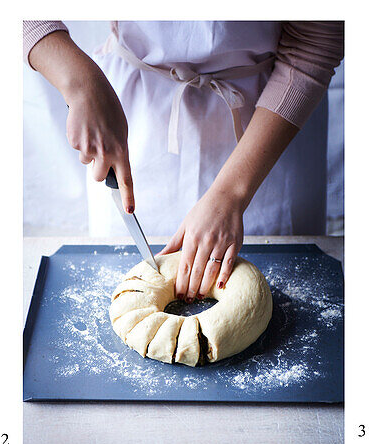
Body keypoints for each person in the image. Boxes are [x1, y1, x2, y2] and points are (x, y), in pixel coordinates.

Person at [24, 21, 343, 301]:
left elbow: (314, 44)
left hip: (271, 121)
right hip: (133, 117)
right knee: (122, 270)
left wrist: (230, 194)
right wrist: (79, 83)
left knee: (287, 279)